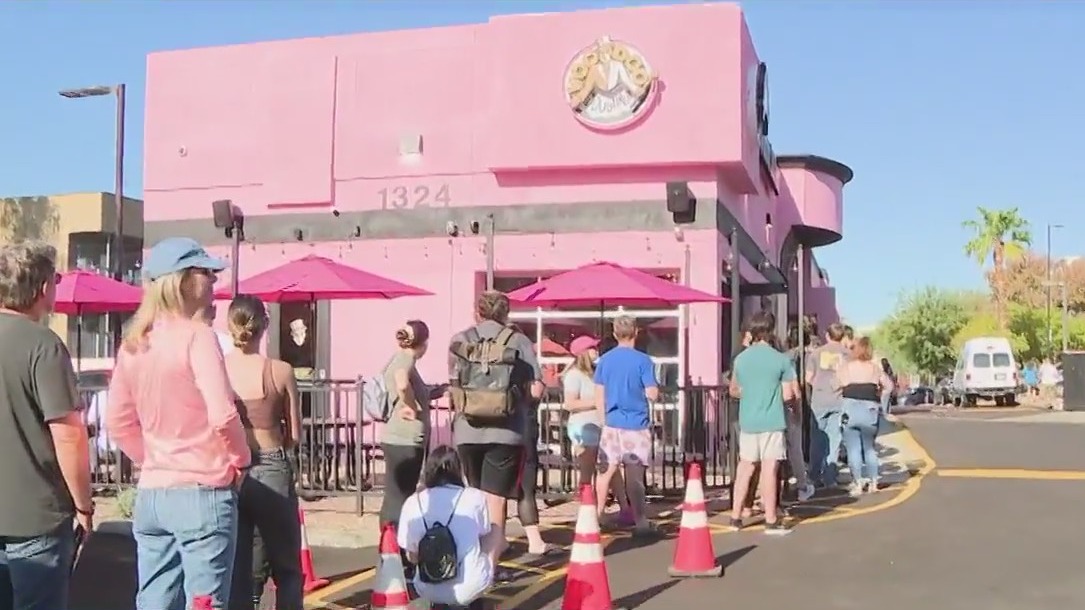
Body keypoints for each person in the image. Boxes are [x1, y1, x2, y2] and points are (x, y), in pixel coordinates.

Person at [107, 237, 252, 610]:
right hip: (202, 490)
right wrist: (241, 459)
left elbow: (119, 423)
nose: (214, 281)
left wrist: (154, 456)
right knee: (205, 602)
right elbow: (222, 413)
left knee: (154, 599)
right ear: (183, 280)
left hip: (153, 492)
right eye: (207, 273)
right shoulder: (198, 337)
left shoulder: (134, 343)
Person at [0, 242, 93, 610]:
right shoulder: (44, 346)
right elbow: (69, 436)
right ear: (42, 288)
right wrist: (84, 506)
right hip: (36, 518)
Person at [448, 291, 543, 571]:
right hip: (507, 431)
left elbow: (453, 383)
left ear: (478, 312)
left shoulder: (460, 340)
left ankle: (471, 555)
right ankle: (488, 564)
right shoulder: (519, 341)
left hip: (467, 429)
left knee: (474, 494)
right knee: (496, 498)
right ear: (506, 313)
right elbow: (535, 387)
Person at [223, 295, 304, 610]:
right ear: (264, 326)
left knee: (238, 566)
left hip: (231, 469)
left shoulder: (219, 369)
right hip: (272, 467)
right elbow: (295, 434)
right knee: (287, 565)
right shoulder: (280, 371)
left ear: (230, 325)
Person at [397, 445, 497, 610]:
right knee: (494, 530)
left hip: (427, 586)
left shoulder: (414, 502)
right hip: (470, 587)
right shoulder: (475, 497)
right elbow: (484, 532)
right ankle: (483, 577)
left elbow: (411, 555)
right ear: (459, 470)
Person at [728, 311, 795, 535]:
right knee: (769, 469)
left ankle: (735, 516)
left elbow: (734, 390)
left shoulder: (741, 359)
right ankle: (770, 518)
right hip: (772, 420)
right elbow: (788, 395)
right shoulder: (781, 359)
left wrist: (749, 392)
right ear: (771, 330)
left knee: (745, 468)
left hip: (748, 420)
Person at [379, 320, 436, 575]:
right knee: (400, 498)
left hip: (397, 438)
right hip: (405, 439)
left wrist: (432, 393)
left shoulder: (398, 357)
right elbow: (402, 383)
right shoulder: (406, 359)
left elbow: (406, 385)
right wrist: (410, 405)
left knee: (396, 495)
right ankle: (395, 555)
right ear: (422, 343)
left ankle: (391, 552)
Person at [594, 316, 659, 536]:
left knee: (606, 471)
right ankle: (640, 520)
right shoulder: (643, 361)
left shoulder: (605, 360)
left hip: (611, 423)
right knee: (634, 475)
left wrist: (603, 419)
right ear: (636, 332)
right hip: (636, 424)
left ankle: (598, 515)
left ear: (614, 334)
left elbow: (599, 393)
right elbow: (652, 393)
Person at [836, 338, 893, 495]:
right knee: (869, 448)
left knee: (853, 449)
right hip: (870, 409)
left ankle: (858, 483)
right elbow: (889, 386)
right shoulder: (875, 369)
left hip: (850, 408)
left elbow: (837, 383)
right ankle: (874, 483)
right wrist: (880, 396)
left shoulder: (846, 367)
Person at [806, 323, 851, 488]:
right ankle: (830, 477)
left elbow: (808, 378)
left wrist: (820, 384)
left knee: (817, 439)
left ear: (827, 335)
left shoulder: (816, 354)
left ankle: (814, 475)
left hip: (819, 400)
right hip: (838, 400)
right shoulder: (848, 355)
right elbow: (849, 379)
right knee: (835, 439)